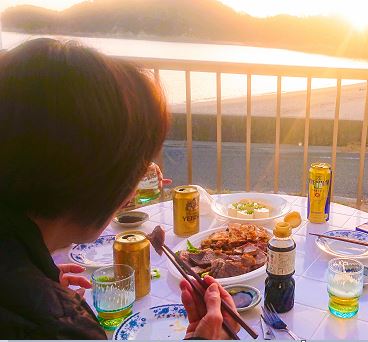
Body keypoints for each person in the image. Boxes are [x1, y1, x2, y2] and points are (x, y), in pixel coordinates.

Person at [0, 38, 238, 339]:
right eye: (136, 166)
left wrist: (41, 282)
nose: (134, 187)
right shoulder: (56, 328)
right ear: (97, 178)